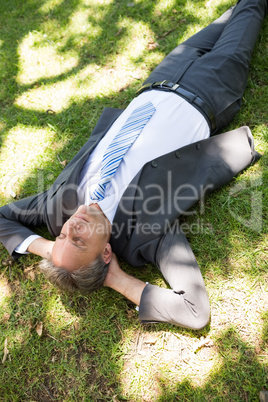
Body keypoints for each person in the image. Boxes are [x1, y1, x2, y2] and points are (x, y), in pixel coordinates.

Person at [0, 0, 266, 330]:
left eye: (65, 234)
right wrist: (117, 279)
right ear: (107, 253)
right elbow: (195, 311)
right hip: (211, 88)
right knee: (251, 9)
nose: (74, 225)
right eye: (79, 240)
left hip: (164, 77)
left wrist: (51, 249)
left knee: (229, 15)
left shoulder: (60, 208)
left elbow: (3, 218)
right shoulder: (147, 234)